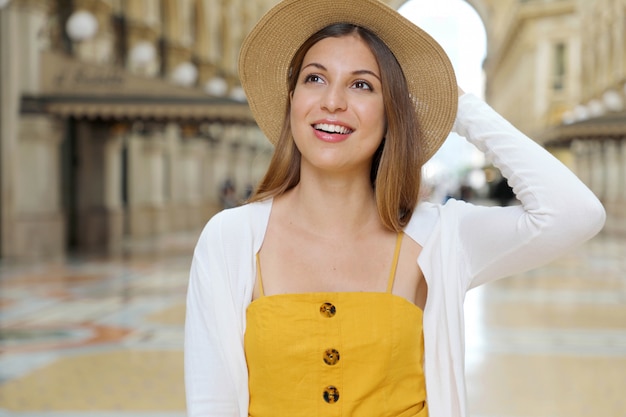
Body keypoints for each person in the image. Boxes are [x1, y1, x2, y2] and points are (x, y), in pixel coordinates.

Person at [184, 0, 605, 416]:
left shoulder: (439, 237)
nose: (333, 102)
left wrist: (462, 107)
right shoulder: (230, 239)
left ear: (392, 113)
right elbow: (212, 403)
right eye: (315, 78)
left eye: (362, 85)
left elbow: (574, 213)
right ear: (291, 98)